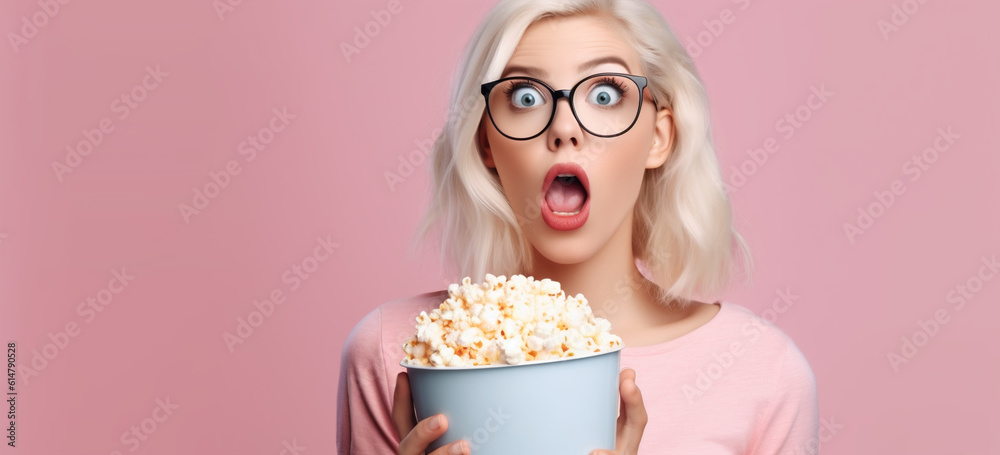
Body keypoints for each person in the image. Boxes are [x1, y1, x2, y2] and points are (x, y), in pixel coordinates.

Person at [337, 0, 819, 453]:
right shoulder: (394, 352)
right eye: (525, 96)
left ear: (658, 137)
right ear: (486, 142)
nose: (563, 127)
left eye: (604, 94)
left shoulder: (762, 372)